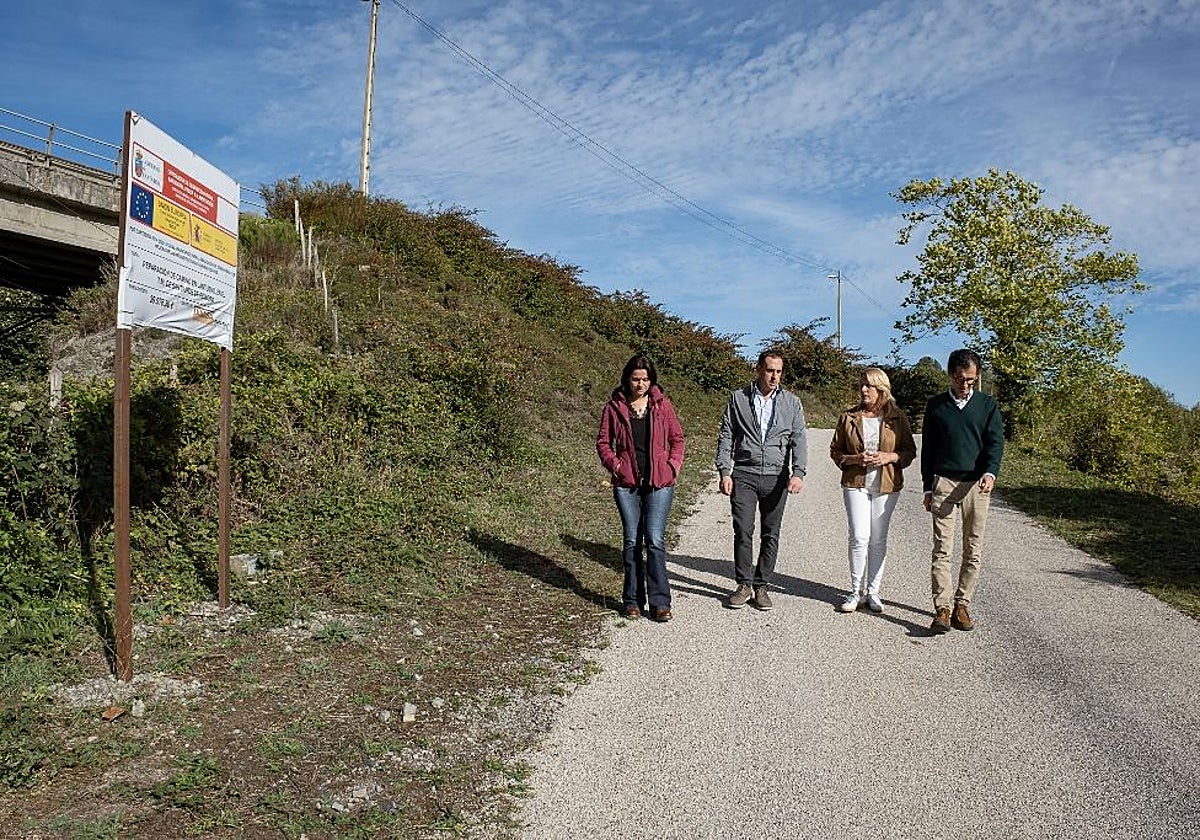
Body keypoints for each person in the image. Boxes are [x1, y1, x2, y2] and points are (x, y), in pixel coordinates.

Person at [597, 354, 686, 622]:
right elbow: (603, 442)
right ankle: (633, 601)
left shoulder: (662, 405)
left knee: (655, 540)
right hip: (627, 485)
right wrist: (615, 465)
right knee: (632, 541)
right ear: (627, 379)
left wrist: (673, 466)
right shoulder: (614, 406)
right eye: (636, 379)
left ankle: (660, 602)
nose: (640, 384)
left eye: (645, 379)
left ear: (652, 380)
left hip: (660, 483)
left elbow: (677, 438)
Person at [715, 349, 807, 611]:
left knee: (771, 534)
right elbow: (726, 435)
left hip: (776, 477)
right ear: (758, 370)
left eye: (778, 371)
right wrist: (725, 471)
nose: (774, 376)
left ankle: (762, 585)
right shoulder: (738, 399)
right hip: (744, 474)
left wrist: (798, 472)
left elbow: (798, 439)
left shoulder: (792, 402)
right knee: (743, 530)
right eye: (769, 370)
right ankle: (743, 584)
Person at [921, 349, 1004, 633]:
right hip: (944, 482)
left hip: (976, 485)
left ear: (977, 377)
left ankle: (962, 605)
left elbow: (995, 444)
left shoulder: (987, 405)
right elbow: (928, 450)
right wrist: (927, 487)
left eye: (971, 379)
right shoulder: (937, 406)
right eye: (960, 379)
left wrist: (990, 473)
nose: (965, 384)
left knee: (973, 549)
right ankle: (942, 608)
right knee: (942, 548)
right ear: (950, 375)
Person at [829, 367, 917, 614]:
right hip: (855, 483)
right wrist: (855, 459)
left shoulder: (897, 417)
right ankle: (854, 592)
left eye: (869, 385)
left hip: (886, 485)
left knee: (878, 539)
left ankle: (873, 592)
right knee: (859, 536)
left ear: (881, 389)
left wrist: (888, 456)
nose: (864, 390)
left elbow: (909, 451)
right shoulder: (848, 417)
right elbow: (835, 451)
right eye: (861, 385)